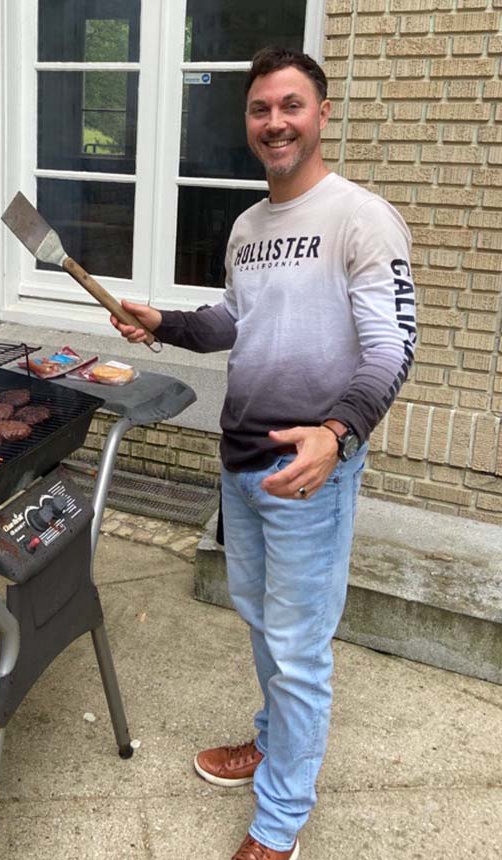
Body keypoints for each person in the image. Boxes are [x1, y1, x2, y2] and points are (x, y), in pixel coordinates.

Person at [111, 45, 416, 860]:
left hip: (309, 470)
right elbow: (233, 320)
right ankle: (273, 744)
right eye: (259, 109)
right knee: (264, 627)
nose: (274, 122)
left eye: (291, 105)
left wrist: (338, 432)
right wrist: (164, 324)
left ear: (320, 113)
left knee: (300, 646)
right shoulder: (249, 226)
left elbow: (391, 349)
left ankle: (279, 824)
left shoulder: (361, 217)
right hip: (240, 462)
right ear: (248, 121)